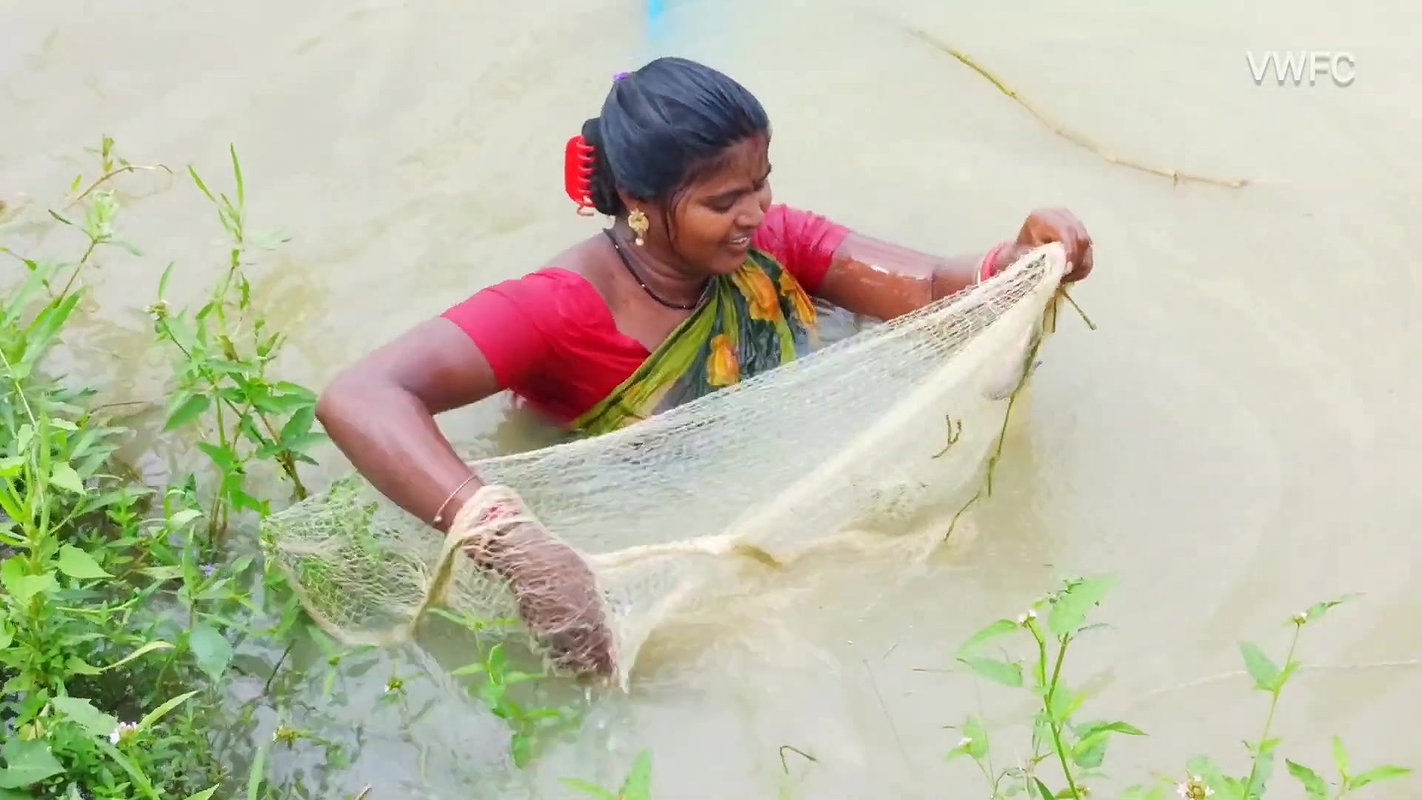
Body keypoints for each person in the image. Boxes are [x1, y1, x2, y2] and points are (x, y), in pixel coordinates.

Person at [315, 56, 1095, 677]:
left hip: (775, 477)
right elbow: (361, 396)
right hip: (646, 507)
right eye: (725, 201)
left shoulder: (768, 243)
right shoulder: (562, 310)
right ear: (639, 201)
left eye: (761, 184)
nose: (755, 213)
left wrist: (1020, 259)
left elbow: (928, 290)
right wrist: (514, 544)